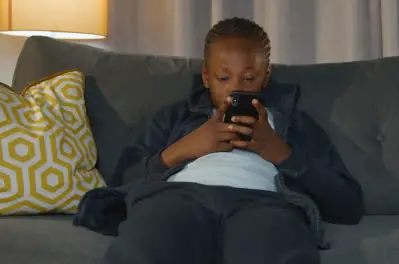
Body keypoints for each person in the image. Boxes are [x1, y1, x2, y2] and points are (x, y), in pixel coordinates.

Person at [104, 17, 364, 264]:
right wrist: (182, 150)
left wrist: (280, 152)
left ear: (266, 76)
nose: (236, 88)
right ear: (206, 77)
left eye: (249, 78)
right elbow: (122, 181)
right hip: (178, 198)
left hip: (263, 205)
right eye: (224, 77)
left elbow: (348, 205)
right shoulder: (176, 117)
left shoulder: (295, 124)